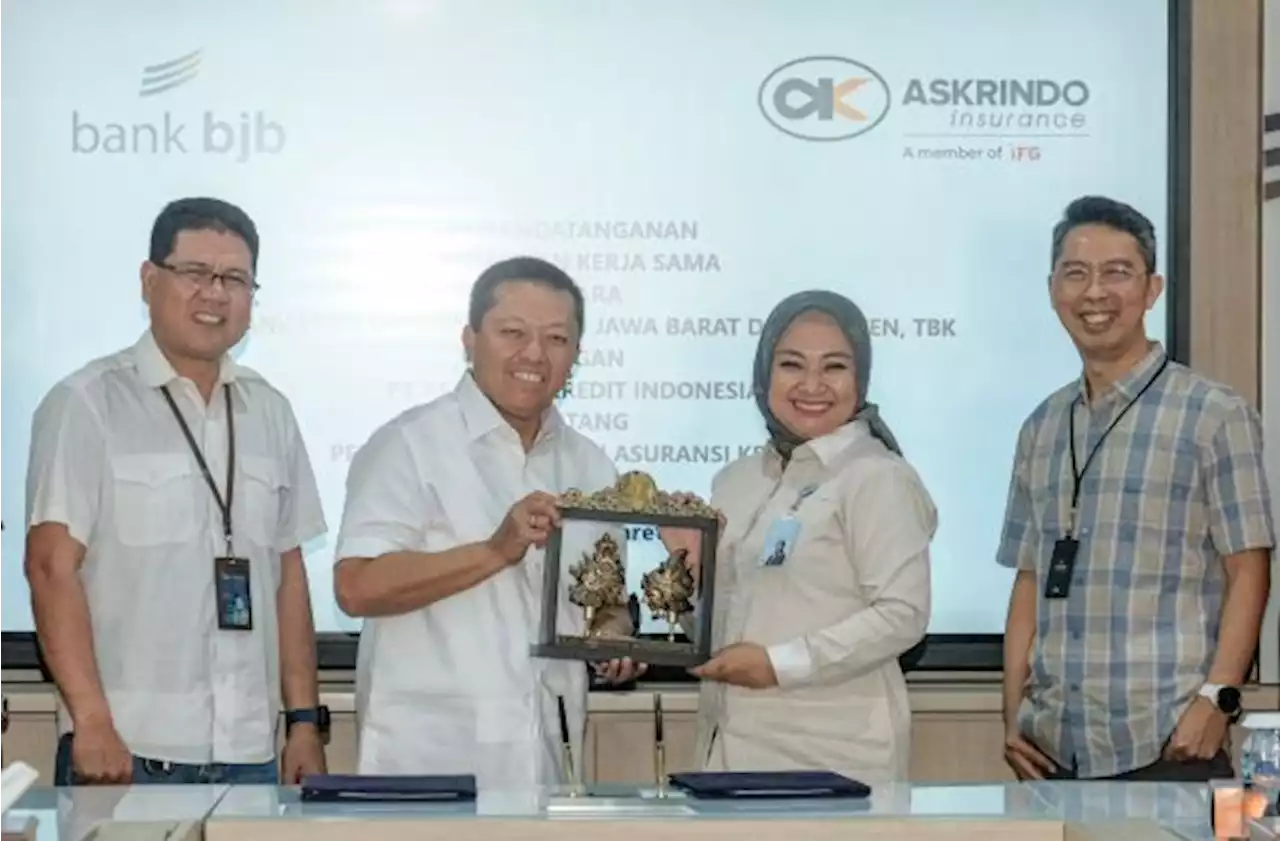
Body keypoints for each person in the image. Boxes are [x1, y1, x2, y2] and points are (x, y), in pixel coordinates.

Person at [24, 197, 330, 786]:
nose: (215, 293)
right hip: (128, 749)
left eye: (235, 279)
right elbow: (49, 569)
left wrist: (303, 723)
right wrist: (90, 721)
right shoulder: (87, 403)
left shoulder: (270, 411)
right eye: (194, 273)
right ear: (148, 280)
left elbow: (289, 575)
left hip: (251, 755)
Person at [333, 256, 643, 787]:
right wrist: (494, 551)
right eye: (512, 332)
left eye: (556, 339)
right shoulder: (408, 445)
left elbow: (603, 604)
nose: (534, 354)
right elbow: (356, 587)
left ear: (576, 354)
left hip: (546, 764)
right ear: (469, 339)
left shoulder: (592, 465)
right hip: (427, 765)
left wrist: (614, 639)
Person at [997, 195, 1275, 782]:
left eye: (1117, 273)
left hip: (1167, 744)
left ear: (1152, 290)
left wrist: (1218, 699)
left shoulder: (1213, 415)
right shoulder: (1042, 427)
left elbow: (1248, 569)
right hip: (1052, 750)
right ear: (1053, 290)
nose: (1094, 293)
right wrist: (1012, 712)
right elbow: (1028, 580)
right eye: (1076, 273)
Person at [665, 289, 938, 783]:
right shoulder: (737, 481)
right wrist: (688, 582)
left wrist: (777, 665)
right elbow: (722, 636)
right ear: (764, 373)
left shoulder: (877, 476)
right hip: (729, 750)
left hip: (834, 761)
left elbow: (903, 615)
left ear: (861, 380)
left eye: (834, 367)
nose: (812, 385)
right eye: (792, 364)